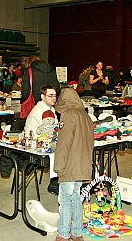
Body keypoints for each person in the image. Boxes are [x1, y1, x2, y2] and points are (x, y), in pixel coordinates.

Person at [54, 88, 94, 241]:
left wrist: (58, 166)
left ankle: (63, 234)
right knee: (76, 198)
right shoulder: (86, 116)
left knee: (65, 200)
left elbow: (64, 144)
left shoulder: (68, 114)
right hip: (82, 164)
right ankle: (77, 233)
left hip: (69, 164)